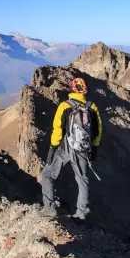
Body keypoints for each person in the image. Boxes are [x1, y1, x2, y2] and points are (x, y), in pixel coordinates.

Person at [39, 77, 102, 221]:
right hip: (83, 148)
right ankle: (81, 215)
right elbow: (98, 130)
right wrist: (95, 147)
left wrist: (52, 148)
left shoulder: (64, 106)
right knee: (82, 180)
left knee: (48, 174)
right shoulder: (92, 107)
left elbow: (57, 130)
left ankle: (49, 208)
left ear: (72, 89)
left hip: (66, 148)